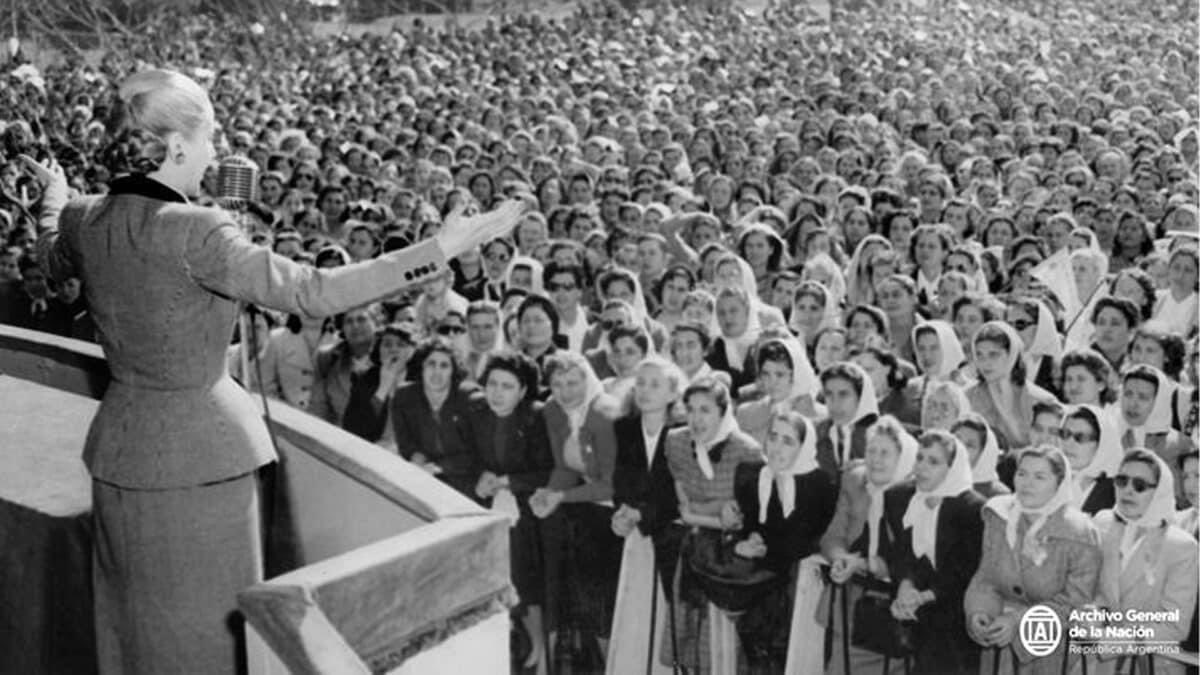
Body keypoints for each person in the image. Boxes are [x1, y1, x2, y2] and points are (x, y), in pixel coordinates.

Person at [27, 68, 521, 674]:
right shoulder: (199, 231)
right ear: (178, 146)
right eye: (208, 138)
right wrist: (437, 249)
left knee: (130, 633)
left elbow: (50, 250)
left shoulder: (85, 216)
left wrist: (53, 188)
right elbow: (312, 291)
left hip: (118, 452)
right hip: (202, 463)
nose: (215, 152)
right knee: (207, 640)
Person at [965, 447, 1102, 675]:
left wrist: (1018, 622)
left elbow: (1076, 601)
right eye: (1022, 473)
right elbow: (985, 578)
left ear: (1059, 484)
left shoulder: (1080, 534)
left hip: (1051, 645)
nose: (1027, 483)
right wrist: (980, 613)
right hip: (999, 638)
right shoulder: (998, 516)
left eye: (1040, 477)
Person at [664, 375, 762, 673]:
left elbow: (744, 516)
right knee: (689, 636)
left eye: (705, 410)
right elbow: (684, 505)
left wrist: (697, 516)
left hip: (729, 559)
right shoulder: (677, 442)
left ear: (723, 411)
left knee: (723, 646)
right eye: (691, 409)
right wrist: (712, 513)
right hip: (694, 550)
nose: (696, 418)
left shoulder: (746, 450)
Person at [469, 351, 557, 675]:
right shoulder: (477, 414)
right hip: (490, 508)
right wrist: (481, 481)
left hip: (533, 513)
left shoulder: (536, 417)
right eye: (492, 384)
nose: (497, 392)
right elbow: (469, 460)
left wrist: (510, 481)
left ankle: (539, 645)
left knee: (527, 580)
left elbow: (550, 470)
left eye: (507, 386)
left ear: (522, 391)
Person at [533, 351, 622, 667]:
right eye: (557, 384)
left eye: (573, 383)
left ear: (588, 380)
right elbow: (565, 466)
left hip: (616, 511)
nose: (565, 391)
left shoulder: (605, 414)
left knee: (603, 597)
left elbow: (611, 485)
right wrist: (550, 492)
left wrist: (562, 498)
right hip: (585, 504)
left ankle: (613, 661)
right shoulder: (552, 410)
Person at [821, 415, 919, 675]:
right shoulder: (854, 481)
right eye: (871, 451)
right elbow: (833, 536)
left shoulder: (915, 497)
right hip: (851, 604)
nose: (875, 459)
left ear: (902, 458)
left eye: (885, 453)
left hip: (894, 610)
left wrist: (864, 564)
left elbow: (907, 558)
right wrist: (841, 559)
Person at [881, 429, 985, 674]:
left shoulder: (972, 509)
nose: (922, 467)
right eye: (920, 458)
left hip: (956, 611)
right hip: (917, 608)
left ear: (952, 468)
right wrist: (905, 585)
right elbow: (900, 554)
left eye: (934, 462)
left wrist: (924, 596)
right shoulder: (901, 497)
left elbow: (966, 571)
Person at [608, 356, 686, 675]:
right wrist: (622, 512)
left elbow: (677, 489)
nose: (645, 390)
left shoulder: (681, 431)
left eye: (655, 384)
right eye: (640, 383)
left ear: (672, 393)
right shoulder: (624, 428)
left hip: (669, 530)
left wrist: (643, 513)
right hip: (637, 533)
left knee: (670, 610)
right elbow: (621, 479)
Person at [1090, 450, 1199, 675]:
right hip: (1090, 662)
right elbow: (1087, 591)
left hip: (1151, 665)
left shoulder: (1181, 546)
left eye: (1140, 485)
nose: (1128, 490)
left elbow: (1174, 626)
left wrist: (1116, 639)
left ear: (1159, 491)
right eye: (1122, 481)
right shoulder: (1101, 523)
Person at [967, 322, 1058, 449]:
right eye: (979, 354)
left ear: (1011, 354)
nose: (985, 362)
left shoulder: (1041, 400)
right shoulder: (967, 396)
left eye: (993, 354)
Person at [734, 336, 818, 444]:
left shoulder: (818, 417)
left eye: (780, 375)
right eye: (766, 374)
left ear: (795, 374)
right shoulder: (745, 413)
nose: (772, 382)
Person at [816, 361, 882, 476]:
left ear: (861, 398)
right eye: (828, 394)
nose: (835, 403)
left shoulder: (881, 436)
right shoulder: (817, 432)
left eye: (843, 394)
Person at [1060, 405, 1123, 515]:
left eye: (1080, 438)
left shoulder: (1118, 493)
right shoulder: (1050, 480)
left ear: (1103, 444)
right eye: (1065, 434)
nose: (1069, 444)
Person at [952, 413, 1010, 498]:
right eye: (957, 439)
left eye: (969, 445)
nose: (960, 447)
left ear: (983, 455)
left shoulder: (997, 495)